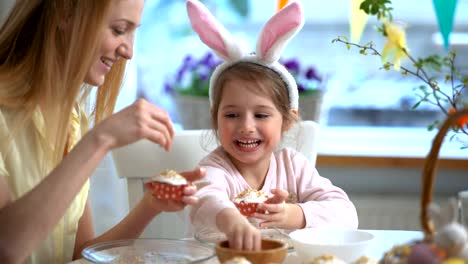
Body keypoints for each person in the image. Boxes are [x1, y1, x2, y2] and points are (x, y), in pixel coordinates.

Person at [0, 1, 205, 263]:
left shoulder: (72, 118)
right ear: (65, 12)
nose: (129, 51)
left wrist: (149, 207)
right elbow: (5, 247)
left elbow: (79, 252)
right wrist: (100, 139)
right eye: (119, 30)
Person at [186, 0, 358, 251]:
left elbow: (346, 215)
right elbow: (205, 199)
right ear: (216, 118)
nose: (246, 126)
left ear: (287, 121)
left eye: (261, 115)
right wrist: (231, 219)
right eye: (232, 115)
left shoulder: (294, 167)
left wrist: (294, 214)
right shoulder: (212, 169)